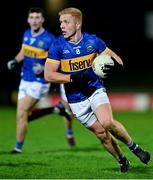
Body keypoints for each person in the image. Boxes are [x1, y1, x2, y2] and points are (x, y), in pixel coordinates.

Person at [44, 7, 151, 172]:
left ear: (78, 23)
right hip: (75, 99)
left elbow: (115, 58)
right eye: (61, 22)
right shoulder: (57, 46)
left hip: (95, 89)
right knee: (101, 134)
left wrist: (115, 65)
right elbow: (49, 75)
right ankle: (123, 161)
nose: (62, 26)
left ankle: (135, 148)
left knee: (107, 122)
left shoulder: (93, 41)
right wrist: (72, 77)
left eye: (66, 22)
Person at [7, 7, 75, 153]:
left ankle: (18, 148)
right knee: (24, 115)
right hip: (24, 79)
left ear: (42, 20)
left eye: (38, 17)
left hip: (39, 82)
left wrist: (44, 68)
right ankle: (56, 109)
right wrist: (15, 60)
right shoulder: (26, 34)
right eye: (32, 17)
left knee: (22, 113)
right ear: (28, 20)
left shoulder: (49, 39)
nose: (35, 20)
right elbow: (23, 51)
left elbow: (58, 61)